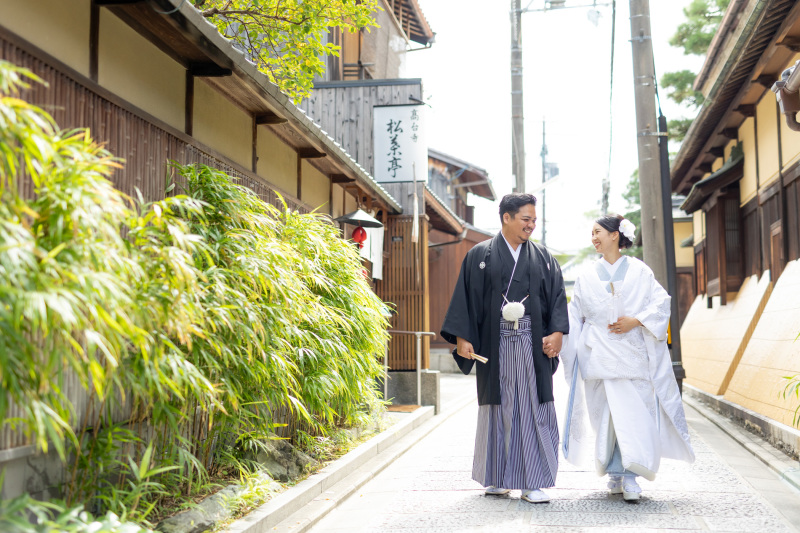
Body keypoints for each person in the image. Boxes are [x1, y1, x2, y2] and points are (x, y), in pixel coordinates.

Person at [441, 193, 569, 503]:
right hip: (494, 343)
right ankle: (496, 477)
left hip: (531, 341)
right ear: (506, 218)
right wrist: (462, 337)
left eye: (534, 220)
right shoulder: (479, 255)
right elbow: (466, 298)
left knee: (532, 408)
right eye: (526, 219)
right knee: (496, 407)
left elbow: (556, 298)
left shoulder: (543, 258)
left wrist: (556, 333)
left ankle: (532, 481)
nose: (531, 225)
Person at [561, 215, 695, 501]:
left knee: (634, 415)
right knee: (606, 417)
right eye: (592, 233)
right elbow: (575, 316)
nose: (594, 238)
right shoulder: (586, 276)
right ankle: (614, 470)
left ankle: (632, 475)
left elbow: (661, 303)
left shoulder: (639, 271)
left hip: (633, 354)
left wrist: (635, 321)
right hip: (598, 355)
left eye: (598, 232)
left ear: (614, 235)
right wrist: (566, 343)